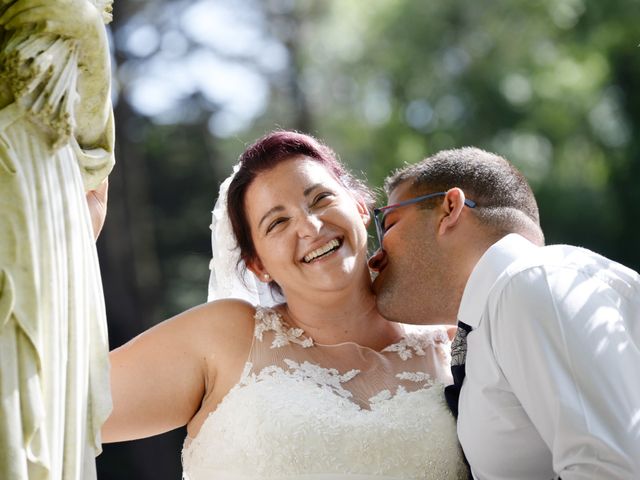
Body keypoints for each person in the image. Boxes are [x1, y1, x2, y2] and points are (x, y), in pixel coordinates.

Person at [100, 131, 469, 479]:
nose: (309, 227)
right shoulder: (224, 338)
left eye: (321, 199)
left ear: (358, 206)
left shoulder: (455, 346)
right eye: (277, 222)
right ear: (257, 265)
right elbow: (60, 404)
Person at [368, 146, 640, 479]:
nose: (374, 257)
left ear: (449, 208)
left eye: (388, 224)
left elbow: (610, 468)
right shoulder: (503, 309)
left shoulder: (531, 283)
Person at [0, 1, 114, 479]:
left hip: (55, 184)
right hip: (22, 169)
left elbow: (96, 149)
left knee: (45, 406)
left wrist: (85, 35)